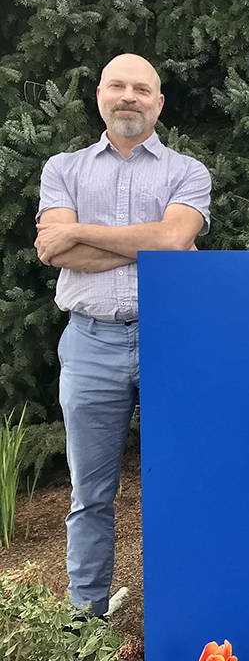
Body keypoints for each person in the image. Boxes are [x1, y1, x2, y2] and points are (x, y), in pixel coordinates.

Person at [35, 53, 211, 619]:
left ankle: (190, 612)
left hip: (173, 342)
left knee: (184, 483)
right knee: (90, 494)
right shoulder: (62, 169)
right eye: (118, 86)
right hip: (90, 344)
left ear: (159, 103)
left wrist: (80, 234)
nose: (129, 96)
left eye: (143, 88)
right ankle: (86, 615)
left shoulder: (188, 172)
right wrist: (149, 240)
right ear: (100, 96)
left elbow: (171, 241)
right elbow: (50, 250)